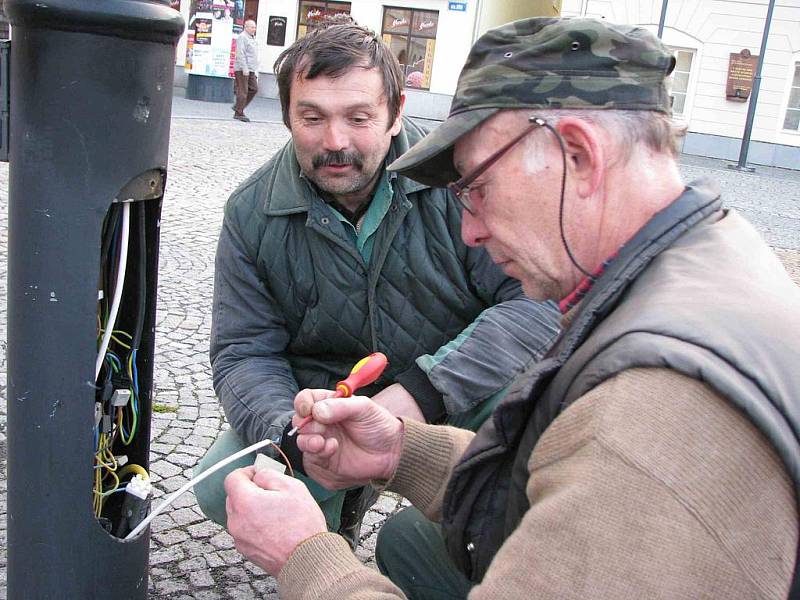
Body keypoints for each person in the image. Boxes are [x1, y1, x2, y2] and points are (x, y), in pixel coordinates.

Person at [223, 17, 800, 599]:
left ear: (579, 155)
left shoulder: (650, 409)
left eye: (477, 189)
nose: (469, 229)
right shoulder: (711, 256)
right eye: (312, 116)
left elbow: (608, 461)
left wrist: (307, 558)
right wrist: (402, 450)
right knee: (407, 543)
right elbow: (563, 470)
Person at [195, 20, 561, 550]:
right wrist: (290, 433)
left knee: (531, 446)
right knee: (218, 484)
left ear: (396, 114)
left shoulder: (462, 182)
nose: (335, 142)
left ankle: (443, 550)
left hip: (453, 386)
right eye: (312, 118)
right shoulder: (252, 211)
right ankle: (328, 541)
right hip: (322, 402)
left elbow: (535, 303)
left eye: (359, 117)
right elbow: (243, 350)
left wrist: (419, 395)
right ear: (287, 116)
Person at [232, 19, 258, 122]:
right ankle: (239, 113)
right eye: (252, 27)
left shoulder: (252, 38)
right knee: (243, 91)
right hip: (243, 68)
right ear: (246, 27)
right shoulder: (242, 37)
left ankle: (238, 106)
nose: (254, 29)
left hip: (251, 69)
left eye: (254, 27)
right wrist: (244, 68)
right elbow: (240, 53)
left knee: (254, 89)